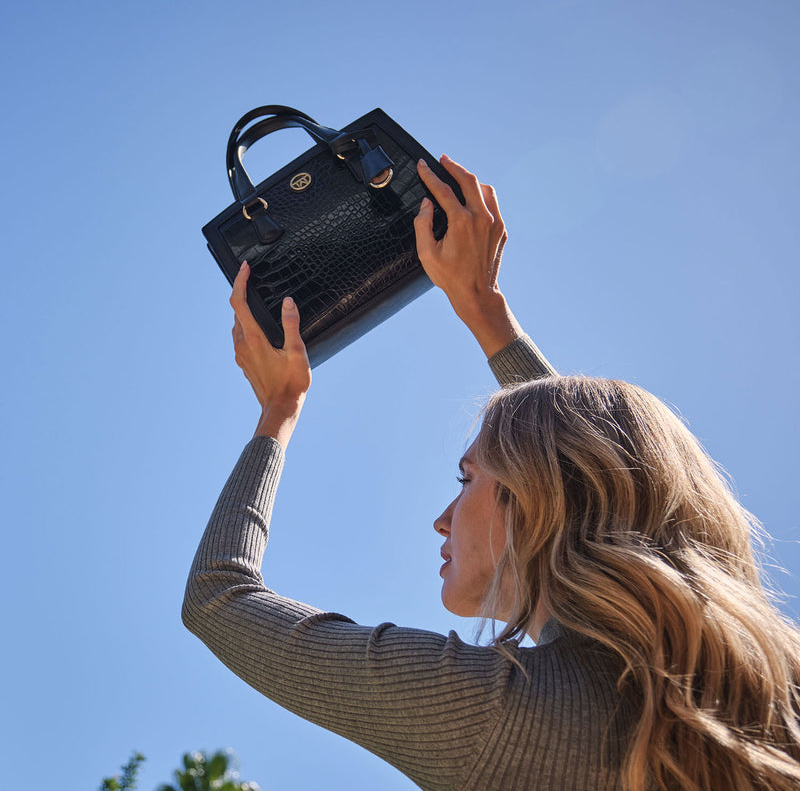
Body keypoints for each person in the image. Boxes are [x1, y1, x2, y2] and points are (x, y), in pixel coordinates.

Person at [183, 156, 800, 790]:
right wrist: (482, 308)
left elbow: (217, 600)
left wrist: (277, 412)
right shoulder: (774, 686)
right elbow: (591, 471)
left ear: (535, 500)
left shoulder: (491, 711)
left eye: (466, 479)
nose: (442, 518)